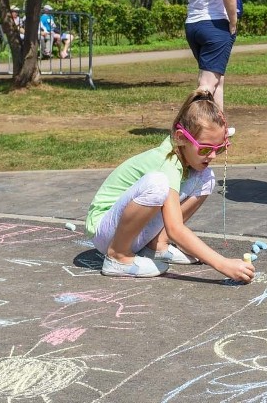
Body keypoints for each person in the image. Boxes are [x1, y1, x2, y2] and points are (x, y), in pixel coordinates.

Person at [85, 89, 254, 283]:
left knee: (205, 177)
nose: (213, 155)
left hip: (126, 230)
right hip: (105, 232)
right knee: (157, 184)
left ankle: (157, 245)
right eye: (206, 148)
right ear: (181, 137)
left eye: (220, 148)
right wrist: (222, 264)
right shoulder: (167, 163)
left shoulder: (183, 156)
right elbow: (176, 228)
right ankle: (118, 257)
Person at [180, 0, 238, 116]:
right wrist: (233, 21)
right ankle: (193, 125)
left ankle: (219, 124)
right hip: (214, 25)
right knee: (207, 84)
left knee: (216, 79)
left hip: (193, 26)